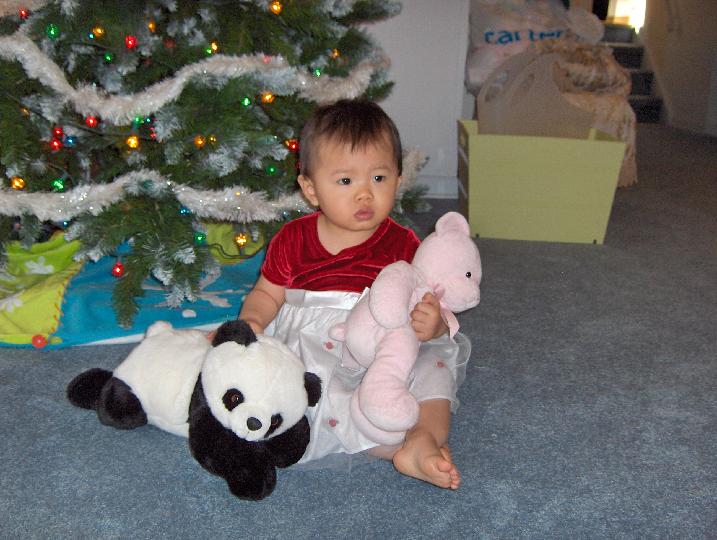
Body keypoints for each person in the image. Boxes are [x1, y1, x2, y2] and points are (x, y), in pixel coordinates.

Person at [237, 99, 471, 490]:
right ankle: (395, 446)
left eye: (378, 178)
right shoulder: (293, 239)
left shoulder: (404, 243)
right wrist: (252, 321)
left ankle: (424, 437)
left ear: (398, 179)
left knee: (433, 372)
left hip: (387, 340)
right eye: (346, 182)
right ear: (311, 189)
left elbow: (430, 301)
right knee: (318, 394)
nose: (364, 195)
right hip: (316, 340)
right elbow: (267, 293)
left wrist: (433, 325)